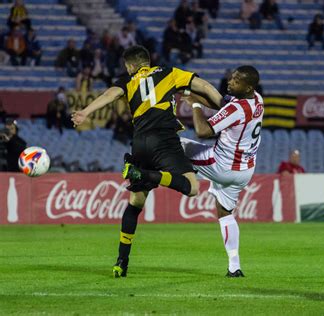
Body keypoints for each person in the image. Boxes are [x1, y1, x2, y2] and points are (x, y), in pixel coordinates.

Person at [71, 45, 223, 278]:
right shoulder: (169, 72)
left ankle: (121, 262)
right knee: (192, 188)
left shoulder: (127, 80)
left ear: (130, 66)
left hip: (140, 143)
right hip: (164, 138)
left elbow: (109, 95)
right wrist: (225, 105)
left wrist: (85, 112)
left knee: (135, 204)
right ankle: (144, 175)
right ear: (147, 62)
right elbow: (202, 86)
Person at [137, 65, 263, 277]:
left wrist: (195, 105)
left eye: (236, 81)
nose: (230, 82)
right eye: (231, 78)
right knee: (225, 213)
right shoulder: (257, 100)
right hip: (244, 171)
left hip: (222, 164)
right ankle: (235, 267)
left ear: (247, 86)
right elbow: (220, 103)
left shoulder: (238, 109)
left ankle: (144, 173)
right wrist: (187, 92)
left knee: (173, 145)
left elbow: (203, 131)